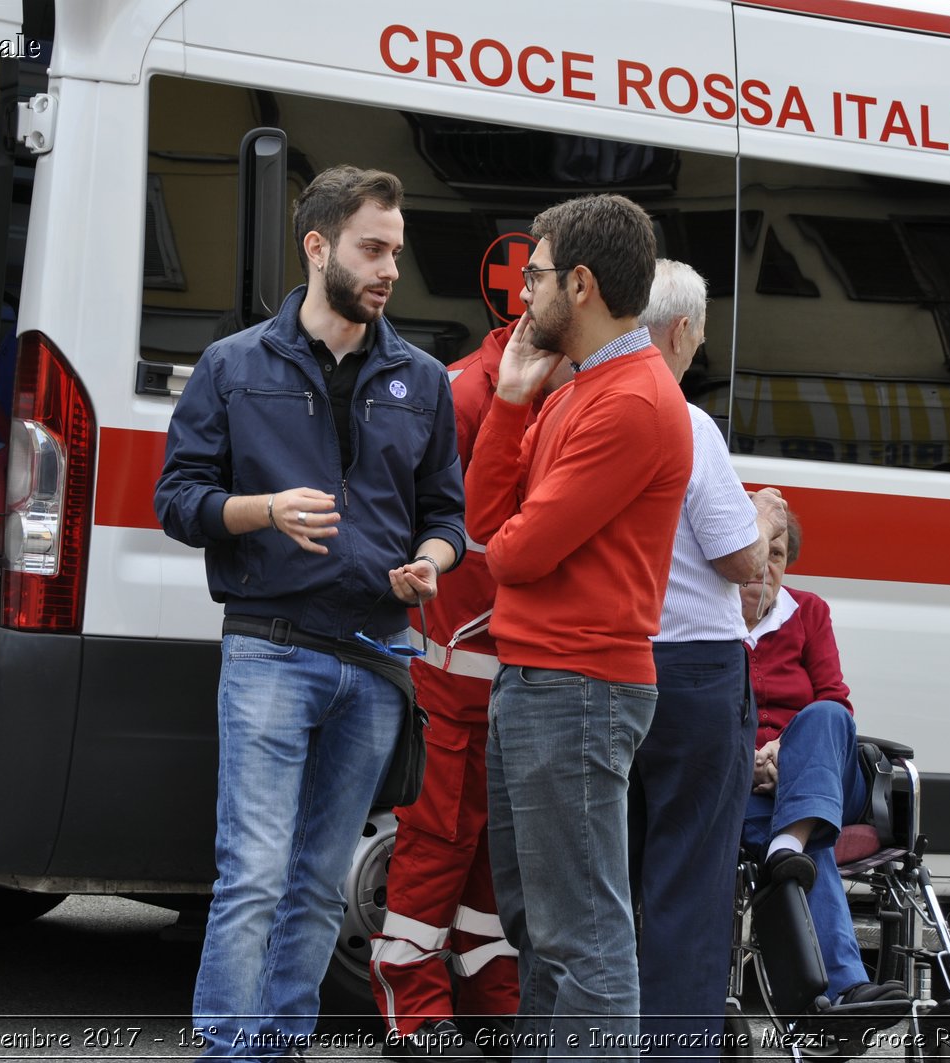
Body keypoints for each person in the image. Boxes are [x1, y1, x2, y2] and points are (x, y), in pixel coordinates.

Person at [155, 165, 467, 1059]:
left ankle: (280, 1043)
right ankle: (226, 1047)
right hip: (271, 648)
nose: (388, 270)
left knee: (322, 884)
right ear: (318, 245)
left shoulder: (422, 380)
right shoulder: (234, 364)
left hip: (378, 656)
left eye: (397, 254)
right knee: (252, 873)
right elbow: (177, 499)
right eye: (372, 249)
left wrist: (432, 562)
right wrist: (263, 509)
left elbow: (447, 515)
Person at [464, 194, 693, 1059]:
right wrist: (515, 400)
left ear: (583, 283)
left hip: (578, 689)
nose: (524, 293)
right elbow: (488, 519)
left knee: (583, 936)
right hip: (546, 682)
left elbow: (516, 554)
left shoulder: (631, 401)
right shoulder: (579, 390)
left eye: (536, 274)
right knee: (542, 926)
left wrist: (512, 532)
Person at [369, 325, 573, 1057]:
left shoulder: (562, 387)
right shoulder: (462, 393)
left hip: (513, 676)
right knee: (437, 840)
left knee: (495, 850)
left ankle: (491, 997)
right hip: (452, 675)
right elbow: (420, 520)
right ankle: (413, 1009)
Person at [629, 260, 787, 1055]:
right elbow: (741, 561)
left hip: (611, 668)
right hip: (694, 675)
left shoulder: (579, 402)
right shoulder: (686, 421)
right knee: (690, 885)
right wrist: (757, 513)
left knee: (609, 887)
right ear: (682, 330)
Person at [740, 514, 912, 1011]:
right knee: (804, 843)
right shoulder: (707, 621)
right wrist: (746, 758)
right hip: (748, 786)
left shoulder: (809, 612)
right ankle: (847, 991)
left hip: (826, 773)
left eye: (777, 555)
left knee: (825, 713)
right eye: (757, 553)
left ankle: (786, 838)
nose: (766, 566)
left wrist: (784, 753)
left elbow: (838, 702)